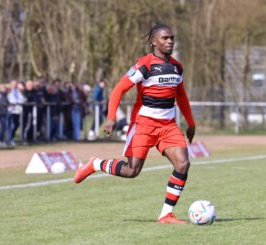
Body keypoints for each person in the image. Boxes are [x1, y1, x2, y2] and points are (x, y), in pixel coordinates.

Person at [74, 24, 195, 224]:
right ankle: (96, 164)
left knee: (183, 164)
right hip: (143, 125)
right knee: (132, 171)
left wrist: (190, 123)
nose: (170, 41)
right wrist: (111, 117)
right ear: (154, 42)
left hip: (168, 126)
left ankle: (166, 214)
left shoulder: (177, 67)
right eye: (165, 38)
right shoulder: (144, 65)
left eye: (172, 38)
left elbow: (181, 96)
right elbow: (118, 90)